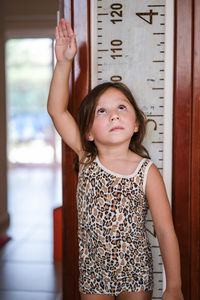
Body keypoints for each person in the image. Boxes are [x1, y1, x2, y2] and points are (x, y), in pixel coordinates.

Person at [47, 19, 184, 300]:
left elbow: (165, 230)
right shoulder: (87, 158)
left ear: (135, 124)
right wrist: (63, 62)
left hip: (135, 272)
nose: (113, 115)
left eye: (122, 107)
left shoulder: (146, 171)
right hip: (93, 271)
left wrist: (174, 286)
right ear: (87, 132)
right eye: (101, 111)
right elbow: (57, 111)